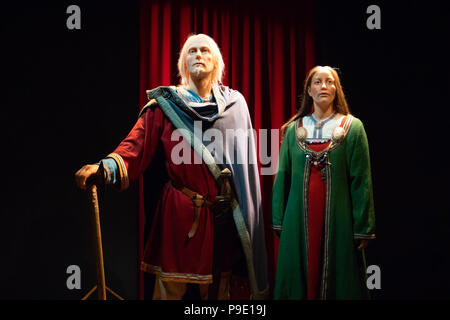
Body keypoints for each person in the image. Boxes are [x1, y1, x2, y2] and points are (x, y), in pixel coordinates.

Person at [75, 33, 269, 300]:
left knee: (219, 292)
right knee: (169, 291)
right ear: (182, 64)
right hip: (180, 213)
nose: (198, 55)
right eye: (192, 51)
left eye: (205, 51)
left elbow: (246, 166)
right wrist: (105, 168)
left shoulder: (235, 105)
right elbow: (135, 147)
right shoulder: (166, 106)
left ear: (217, 62)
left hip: (222, 218)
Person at [272, 66, 375, 299]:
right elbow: (283, 176)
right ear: (309, 90)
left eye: (330, 82)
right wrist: (278, 219)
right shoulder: (293, 131)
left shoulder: (352, 127)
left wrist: (363, 227)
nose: (324, 87)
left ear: (336, 89)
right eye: (317, 82)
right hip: (297, 218)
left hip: (339, 219)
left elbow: (361, 179)